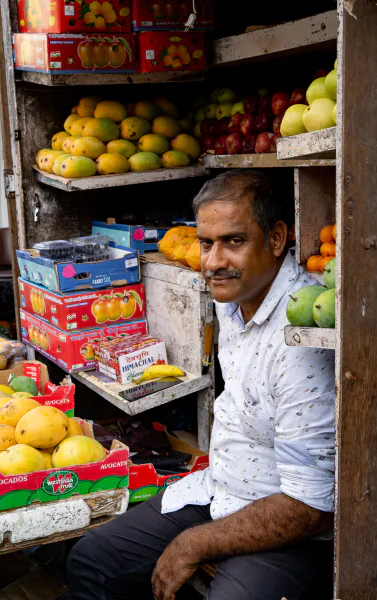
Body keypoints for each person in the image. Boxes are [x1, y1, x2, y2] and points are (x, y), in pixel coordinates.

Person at [67, 171, 335, 600]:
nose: (212, 262)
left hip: (289, 526)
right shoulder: (233, 303)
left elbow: (309, 507)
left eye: (233, 241)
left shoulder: (299, 336)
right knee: (91, 561)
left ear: (277, 238)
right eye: (206, 243)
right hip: (219, 488)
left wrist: (193, 543)